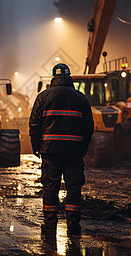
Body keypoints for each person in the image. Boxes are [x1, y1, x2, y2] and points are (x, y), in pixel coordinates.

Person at [29, 63, 94, 245]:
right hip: (74, 150)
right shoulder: (81, 98)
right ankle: (73, 227)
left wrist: (37, 147)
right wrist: (83, 148)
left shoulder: (43, 97)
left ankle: (50, 226)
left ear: (53, 77)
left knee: (51, 186)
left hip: (50, 150)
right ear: (69, 76)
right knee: (74, 187)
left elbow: (34, 124)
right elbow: (89, 127)